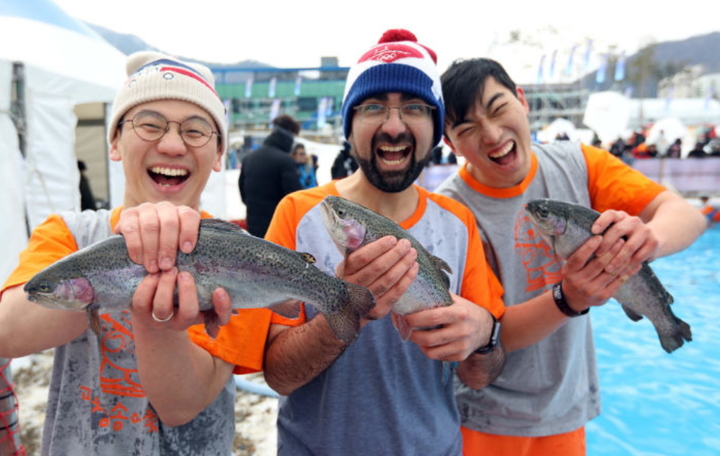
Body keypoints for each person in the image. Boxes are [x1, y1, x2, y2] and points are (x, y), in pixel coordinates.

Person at [0, 51, 298, 456]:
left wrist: (155, 320)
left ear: (218, 156)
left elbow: (183, 404)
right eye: (149, 124)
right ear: (115, 142)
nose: (172, 144)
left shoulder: (242, 257)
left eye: (196, 131)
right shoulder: (69, 234)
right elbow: (9, 332)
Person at [435, 57, 707, 456]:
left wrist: (648, 239)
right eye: (466, 128)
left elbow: (686, 216)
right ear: (450, 143)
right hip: (482, 420)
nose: (491, 135)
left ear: (522, 100)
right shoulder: (450, 213)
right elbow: (486, 334)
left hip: (567, 411)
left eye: (498, 109)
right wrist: (570, 298)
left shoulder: (580, 165)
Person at [260, 29, 506, 456]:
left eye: (414, 107)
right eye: (373, 107)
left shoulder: (459, 223)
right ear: (349, 125)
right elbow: (278, 375)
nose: (394, 126)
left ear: (435, 127)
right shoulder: (298, 214)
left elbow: (481, 374)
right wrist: (346, 309)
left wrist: (485, 332)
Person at [239, 114, 303, 237]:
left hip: (253, 226)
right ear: (289, 136)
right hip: (278, 228)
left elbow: (243, 194)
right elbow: (295, 197)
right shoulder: (285, 161)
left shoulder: (249, 158)